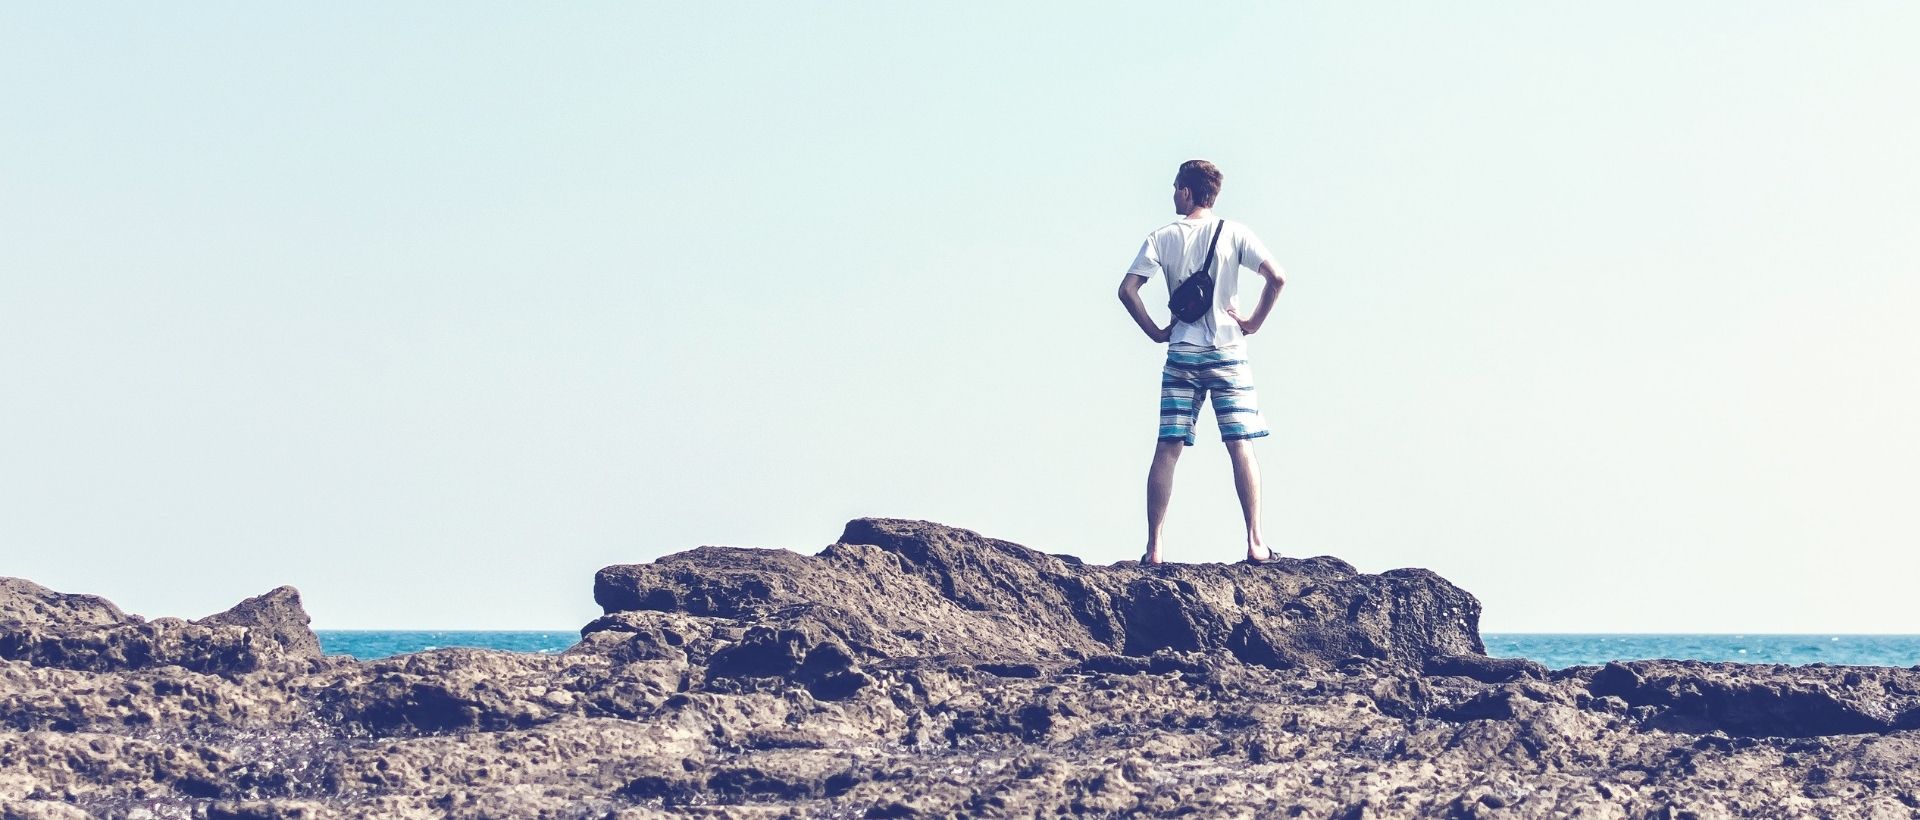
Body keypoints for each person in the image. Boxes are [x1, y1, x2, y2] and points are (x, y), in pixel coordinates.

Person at [1116, 159, 1287, 566]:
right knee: (1239, 444)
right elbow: (1277, 277)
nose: (1173, 193)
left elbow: (1127, 290)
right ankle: (1255, 542)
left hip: (1182, 354)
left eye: (1176, 187)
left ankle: (1155, 548)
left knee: (1168, 448)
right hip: (1228, 352)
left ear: (1188, 192)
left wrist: (1158, 332)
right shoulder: (1235, 233)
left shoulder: (1162, 237)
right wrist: (1253, 323)